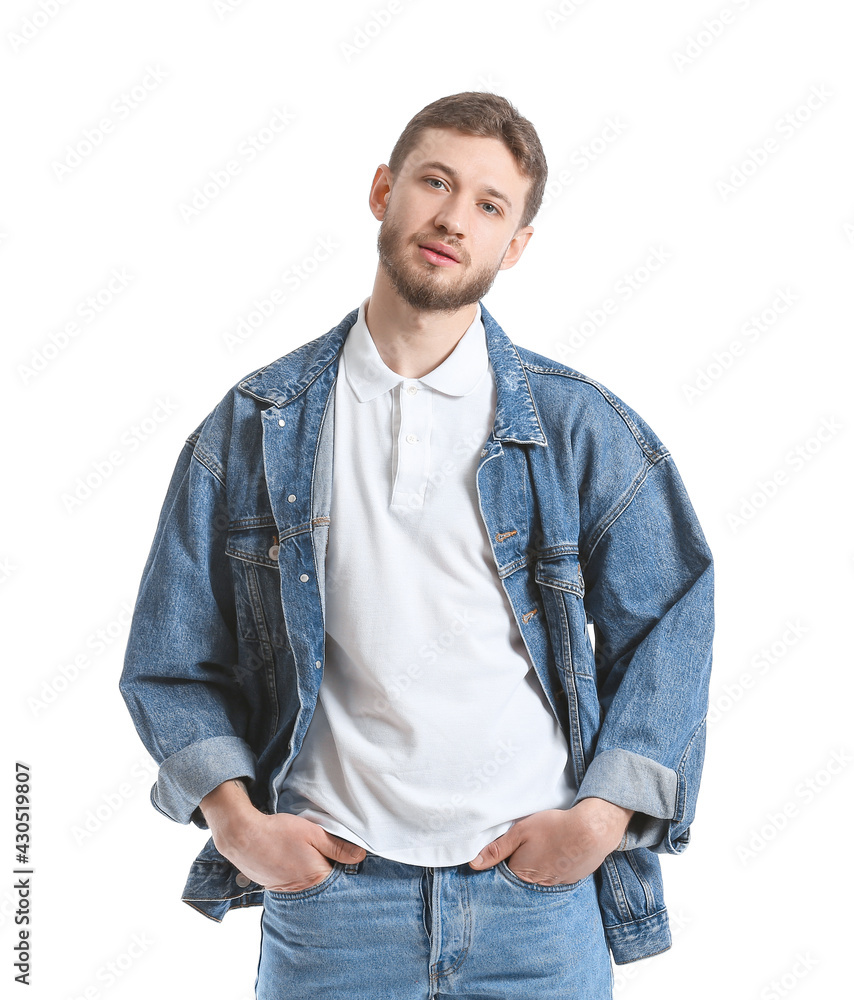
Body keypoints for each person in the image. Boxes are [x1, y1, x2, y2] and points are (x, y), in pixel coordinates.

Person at [120, 91, 714, 999]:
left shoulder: (577, 426)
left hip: (535, 903)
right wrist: (238, 824)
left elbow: (673, 612)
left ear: (515, 246)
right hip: (332, 905)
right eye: (434, 182)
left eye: (489, 204)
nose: (452, 219)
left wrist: (599, 820)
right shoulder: (256, 424)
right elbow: (170, 658)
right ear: (382, 192)